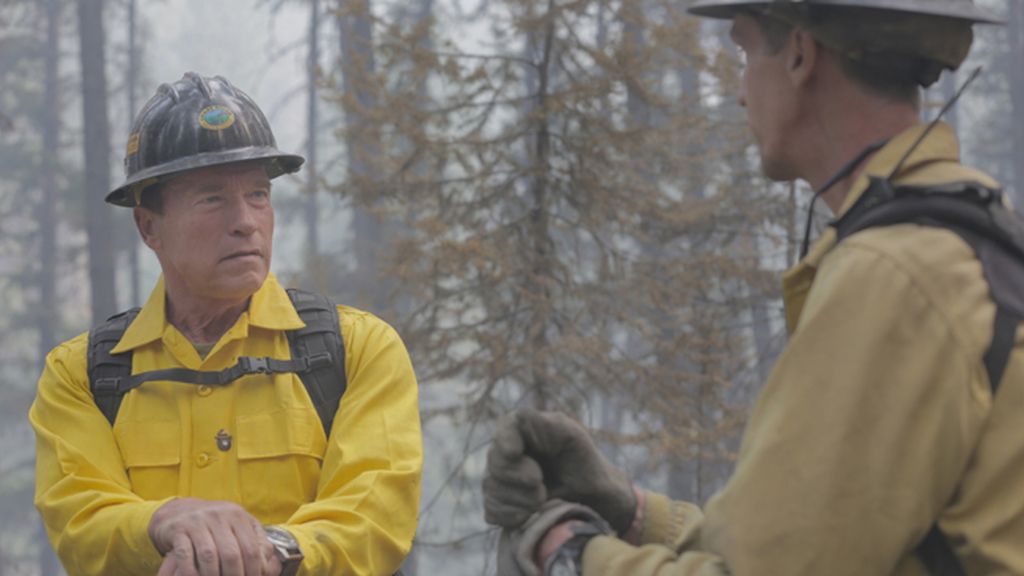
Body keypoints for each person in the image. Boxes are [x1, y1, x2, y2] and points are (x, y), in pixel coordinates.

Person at [483, 1, 1024, 575]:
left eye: (743, 53)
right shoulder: (964, 236)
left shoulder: (896, 276)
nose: (741, 93)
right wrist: (633, 513)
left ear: (798, 53)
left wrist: (566, 553)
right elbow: (798, 548)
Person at [30, 72, 422, 576]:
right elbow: (80, 519)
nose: (245, 220)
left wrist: (274, 550)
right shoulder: (80, 375)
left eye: (258, 195)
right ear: (149, 226)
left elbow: (375, 514)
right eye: (212, 198)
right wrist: (162, 522)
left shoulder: (358, 349)